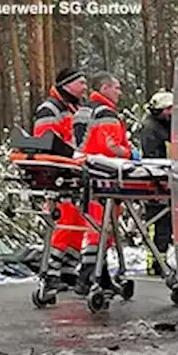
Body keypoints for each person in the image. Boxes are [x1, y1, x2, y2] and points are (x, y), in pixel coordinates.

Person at [75, 73, 134, 295]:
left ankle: (101, 274)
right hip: (103, 177)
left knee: (98, 228)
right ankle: (90, 275)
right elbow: (111, 150)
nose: (119, 92)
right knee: (101, 229)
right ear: (105, 88)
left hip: (84, 173)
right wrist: (131, 154)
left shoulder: (84, 110)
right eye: (117, 88)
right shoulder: (106, 114)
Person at [32, 67, 88, 293]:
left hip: (74, 170)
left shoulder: (74, 108)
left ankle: (67, 268)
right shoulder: (50, 109)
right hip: (59, 173)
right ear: (68, 84)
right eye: (81, 83)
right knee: (65, 222)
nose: (84, 87)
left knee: (78, 222)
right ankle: (51, 271)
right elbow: (47, 142)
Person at [140, 90, 173, 276]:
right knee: (157, 222)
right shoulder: (151, 129)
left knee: (165, 225)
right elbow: (152, 158)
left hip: (165, 179)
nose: (171, 112)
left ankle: (160, 260)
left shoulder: (165, 125)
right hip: (155, 182)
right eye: (168, 109)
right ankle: (154, 262)